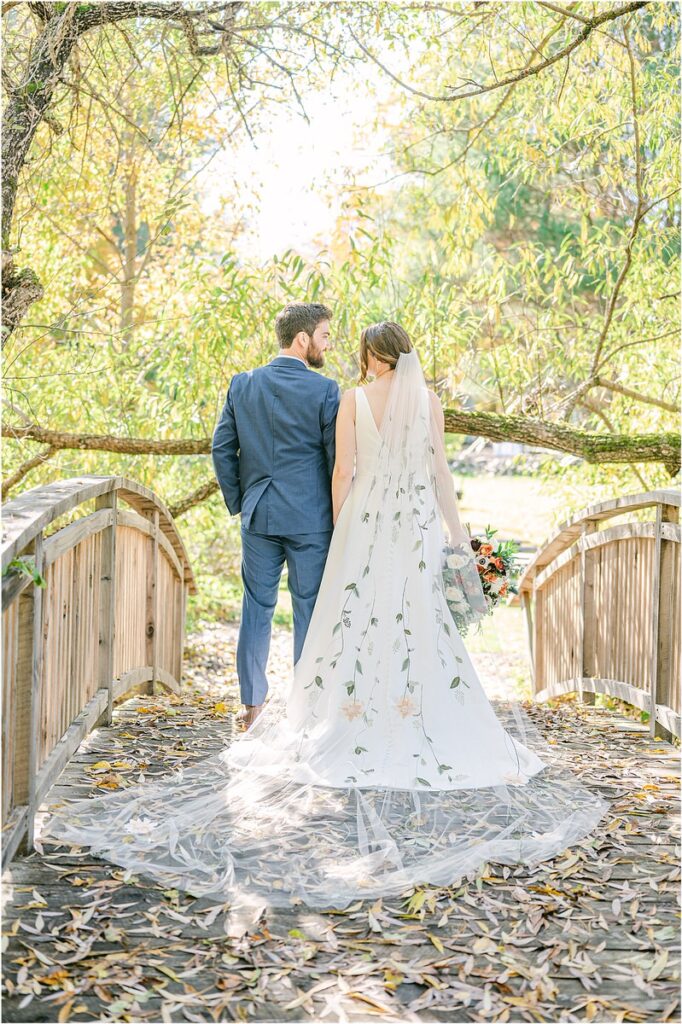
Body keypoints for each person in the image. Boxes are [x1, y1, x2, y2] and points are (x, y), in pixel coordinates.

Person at [42, 321, 610, 910]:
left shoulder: (347, 398)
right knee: (416, 620)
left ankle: (302, 709)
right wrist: (457, 539)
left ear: (373, 356)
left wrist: (340, 527)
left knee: (341, 618)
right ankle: (413, 711)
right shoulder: (425, 401)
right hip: (414, 524)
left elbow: (342, 472)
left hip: (356, 520)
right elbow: (441, 473)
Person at [211, 302, 341, 730]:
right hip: (311, 517)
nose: (327, 344)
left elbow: (221, 449)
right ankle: (305, 710)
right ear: (302, 339)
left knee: (257, 607)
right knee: (308, 610)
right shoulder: (326, 392)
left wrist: (242, 500)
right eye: (323, 335)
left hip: (259, 513)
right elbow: (334, 459)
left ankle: (252, 707)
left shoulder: (243, 384)